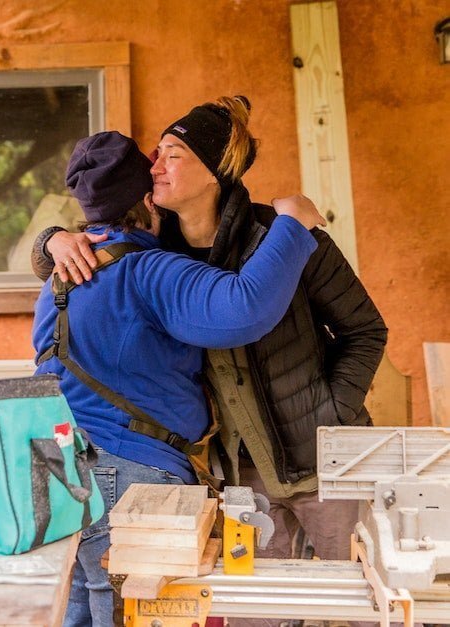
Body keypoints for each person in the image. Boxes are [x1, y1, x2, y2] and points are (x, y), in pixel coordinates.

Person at [35, 97, 387, 625]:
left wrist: (331, 409)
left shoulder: (282, 237)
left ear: (215, 170)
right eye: (155, 155)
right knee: (253, 612)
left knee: (349, 604)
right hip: (238, 472)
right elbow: (105, 254)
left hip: (321, 462)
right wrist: (51, 240)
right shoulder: (158, 253)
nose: (154, 165)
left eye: (172, 155)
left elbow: (365, 328)